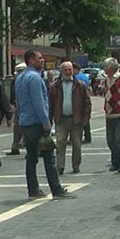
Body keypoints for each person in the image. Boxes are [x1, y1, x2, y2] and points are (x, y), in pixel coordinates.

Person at [16, 50, 75, 199]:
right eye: (39, 58)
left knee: (31, 157)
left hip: (24, 121)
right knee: (49, 156)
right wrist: (46, 122)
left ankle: (33, 189)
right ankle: (56, 189)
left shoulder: (20, 77)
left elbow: (17, 101)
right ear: (31, 60)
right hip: (36, 122)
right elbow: (39, 103)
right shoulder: (35, 78)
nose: (42, 60)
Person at [49, 61, 91, 175]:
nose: (68, 72)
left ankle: (76, 166)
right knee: (60, 143)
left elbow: (87, 103)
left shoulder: (80, 85)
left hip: (76, 119)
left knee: (77, 145)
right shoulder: (54, 86)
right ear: (61, 71)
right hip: (61, 119)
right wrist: (49, 120)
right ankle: (60, 167)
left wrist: (85, 119)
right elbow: (50, 104)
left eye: (70, 69)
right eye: (66, 70)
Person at [103, 57, 120, 172]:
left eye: (105, 66)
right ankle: (115, 162)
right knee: (111, 140)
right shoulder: (106, 79)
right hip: (109, 114)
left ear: (111, 68)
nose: (104, 69)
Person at [7, 62, 27, 156]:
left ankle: (21, 143)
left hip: (25, 107)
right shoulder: (15, 80)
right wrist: (13, 104)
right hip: (19, 106)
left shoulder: (27, 79)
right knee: (17, 127)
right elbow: (12, 94)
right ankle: (15, 146)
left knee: (24, 127)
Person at [74, 64, 93, 144]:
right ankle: (88, 136)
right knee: (86, 120)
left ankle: (75, 138)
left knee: (78, 121)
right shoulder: (84, 76)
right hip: (85, 99)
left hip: (79, 100)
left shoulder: (77, 77)